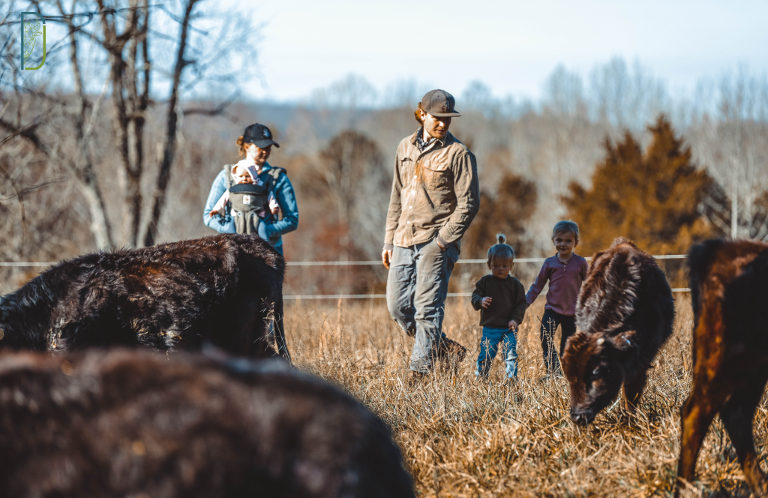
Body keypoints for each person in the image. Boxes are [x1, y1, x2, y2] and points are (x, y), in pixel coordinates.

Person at [382, 89, 480, 378]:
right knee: (398, 307)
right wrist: (389, 239)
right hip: (402, 238)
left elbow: (469, 203)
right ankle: (446, 349)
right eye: (438, 117)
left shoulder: (459, 153)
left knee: (427, 308)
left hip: (436, 242)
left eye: (448, 119)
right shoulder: (404, 147)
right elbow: (396, 195)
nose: (443, 124)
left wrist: (443, 240)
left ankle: (420, 372)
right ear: (422, 114)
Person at [203, 123, 299, 256]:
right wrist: (230, 229)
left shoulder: (278, 178)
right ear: (247, 146)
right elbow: (208, 215)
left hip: (269, 252)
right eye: (261, 147)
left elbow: (292, 219)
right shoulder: (226, 176)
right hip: (232, 252)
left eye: (269, 147)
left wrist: (266, 230)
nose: (265, 151)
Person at [525, 220, 589, 377]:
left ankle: (566, 374)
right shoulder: (550, 263)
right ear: (553, 240)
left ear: (576, 242)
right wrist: (524, 302)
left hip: (572, 313)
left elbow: (590, 284)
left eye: (568, 241)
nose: (563, 244)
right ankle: (553, 372)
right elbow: (537, 286)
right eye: (559, 240)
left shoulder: (580, 263)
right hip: (552, 310)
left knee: (567, 347)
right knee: (545, 338)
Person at [471, 234, 527, 380]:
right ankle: (481, 377)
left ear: (511, 266)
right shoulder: (485, 282)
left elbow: (521, 304)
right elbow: (475, 296)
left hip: (509, 327)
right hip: (490, 327)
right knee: (486, 354)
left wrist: (515, 320)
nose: (500, 269)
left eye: (504, 266)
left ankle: (510, 379)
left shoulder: (515, 285)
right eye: (495, 266)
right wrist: (480, 301)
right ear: (489, 265)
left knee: (510, 355)